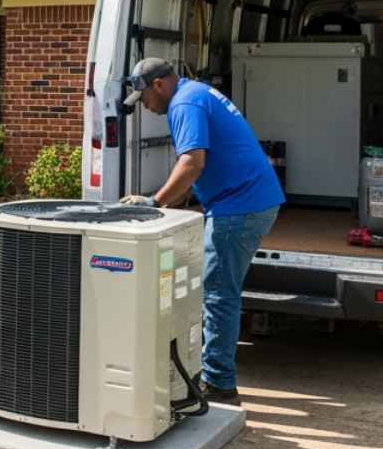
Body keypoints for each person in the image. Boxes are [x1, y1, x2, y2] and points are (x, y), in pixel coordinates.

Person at [120, 57, 284, 404]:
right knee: (218, 290)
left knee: (218, 295)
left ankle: (219, 385)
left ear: (158, 85)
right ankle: (212, 374)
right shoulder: (195, 93)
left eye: (144, 98)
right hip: (249, 200)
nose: (146, 107)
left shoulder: (184, 103)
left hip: (240, 206)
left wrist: (154, 203)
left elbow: (193, 161)